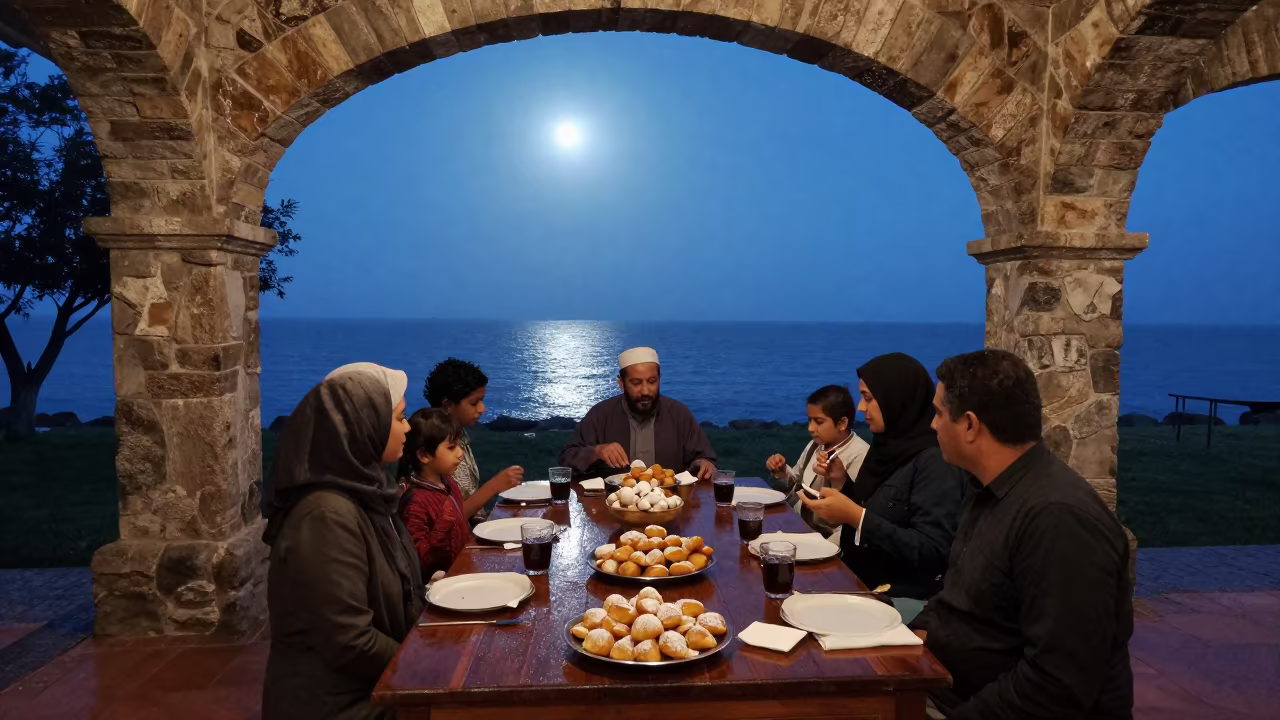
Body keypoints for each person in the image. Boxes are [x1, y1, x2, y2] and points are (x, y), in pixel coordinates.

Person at [912, 348, 1134, 719]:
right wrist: (905, 641)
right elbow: (956, 603)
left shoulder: (1058, 520)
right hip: (945, 689)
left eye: (937, 413)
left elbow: (1056, 685)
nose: (933, 426)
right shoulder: (988, 490)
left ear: (970, 425)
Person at [261, 362, 424, 720]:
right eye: (399, 418)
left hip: (374, 683)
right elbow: (349, 640)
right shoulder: (326, 515)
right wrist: (420, 670)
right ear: (361, 426)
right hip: (340, 702)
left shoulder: (367, 493)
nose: (408, 428)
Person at [800, 353, 967, 623]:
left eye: (868, 398)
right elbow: (880, 507)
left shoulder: (935, 461)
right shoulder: (886, 447)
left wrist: (855, 516)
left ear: (896, 399)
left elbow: (933, 552)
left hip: (897, 600)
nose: (862, 409)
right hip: (857, 583)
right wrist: (842, 482)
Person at [558, 347, 717, 479]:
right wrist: (596, 452)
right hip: (610, 506)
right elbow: (566, 461)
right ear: (621, 383)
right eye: (636, 383)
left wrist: (703, 463)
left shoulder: (679, 414)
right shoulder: (600, 414)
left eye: (652, 381)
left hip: (670, 504)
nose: (645, 391)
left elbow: (704, 458)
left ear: (659, 379)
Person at [765, 384, 870, 544]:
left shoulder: (860, 455)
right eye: (809, 420)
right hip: (796, 526)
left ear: (842, 423)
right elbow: (797, 485)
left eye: (818, 422)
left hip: (827, 540)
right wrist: (781, 472)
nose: (811, 428)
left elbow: (856, 513)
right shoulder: (815, 445)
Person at [423, 358, 523, 522]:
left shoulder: (460, 435)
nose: (482, 409)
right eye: (474, 403)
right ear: (448, 405)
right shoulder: (434, 449)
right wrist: (493, 487)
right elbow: (449, 520)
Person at [397, 408, 481, 581]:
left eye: (458, 445)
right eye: (451, 447)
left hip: (463, 573)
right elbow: (420, 562)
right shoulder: (416, 503)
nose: (460, 453)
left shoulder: (449, 483)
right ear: (424, 455)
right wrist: (443, 524)